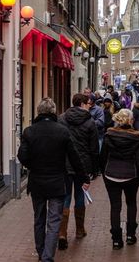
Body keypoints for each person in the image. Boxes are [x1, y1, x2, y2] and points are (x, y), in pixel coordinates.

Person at [18, 98, 91, 262]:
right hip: (57, 182)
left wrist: (33, 166)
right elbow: (74, 158)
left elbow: (22, 156)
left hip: (37, 181)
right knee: (54, 220)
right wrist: (84, 177)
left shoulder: (29, 132)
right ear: (53, 112)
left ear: (38, 111)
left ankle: (41, 251)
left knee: (39, 219)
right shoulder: (62, 131)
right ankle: (47, 257)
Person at [100, 109, 139, 249]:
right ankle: (130, 235)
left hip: (111, 174)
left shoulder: (109, 135)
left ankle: (116, 239)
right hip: (131, 175)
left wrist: (103, 173)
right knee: (131, 203)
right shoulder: (137, 137)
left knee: (115, 207)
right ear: (131, 121)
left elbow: (102, 157)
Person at [57, 94, 99, 250]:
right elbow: (94, 148)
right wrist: (95, 169)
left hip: (65, 164)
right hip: (83, 165)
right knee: (80, 195)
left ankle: (62, 233)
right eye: (88, 103)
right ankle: (80, 230)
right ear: (82, 104)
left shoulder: (61, 119)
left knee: (65, 196)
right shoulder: (89, 122)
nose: (90, 105)